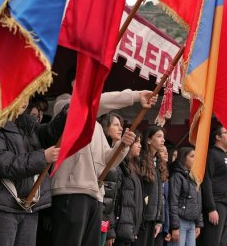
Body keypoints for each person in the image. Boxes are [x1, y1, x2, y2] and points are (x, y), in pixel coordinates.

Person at [49, 79, 155, 246]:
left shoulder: (97, 126)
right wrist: (134, 96)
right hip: (71, 192)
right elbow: (89, 104)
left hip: (95, 195)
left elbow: (107, 162)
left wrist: (123, 145)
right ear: (73, 83)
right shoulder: (63, 105)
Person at [0, 98, 67, 246]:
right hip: (2, 207)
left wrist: (65, 115)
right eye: (19, 95)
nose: (24, 101)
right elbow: (2, 163)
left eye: (27, 95)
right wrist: (43, 157)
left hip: (29, 207)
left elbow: (48, 133)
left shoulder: (28, 124)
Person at [101, 112, 136, 246]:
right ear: (105, 128)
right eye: (116, 125)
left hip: (112, 224)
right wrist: (109, 230)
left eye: (121, 125)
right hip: (102, 221)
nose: (121, 128)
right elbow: (107, 195)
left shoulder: (120, 159)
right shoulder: (104, 155)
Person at [199, 126, 227, 246]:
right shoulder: (211, 154)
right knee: (212, 241)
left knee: (222, 242)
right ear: (218, 137)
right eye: (226, 132)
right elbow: (207, 181)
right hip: (217, 203)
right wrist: (211, 208)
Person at [111, 132, 144, 246]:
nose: (140, 145)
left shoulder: (133, 168)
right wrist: (110, 231)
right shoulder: (119, 167)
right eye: (137, 142)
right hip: (118, 230)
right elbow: (112, 199)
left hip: (129, 229)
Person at [136, 126, 166, 246]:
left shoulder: (158, 162)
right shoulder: (141, 159)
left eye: (163, 137)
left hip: (153, 217)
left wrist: (159, 220)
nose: (163, 140)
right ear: (148, 140)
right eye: (159, 136)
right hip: (142, 217)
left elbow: (160, 193)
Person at [169, 148, 202, 246]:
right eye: (192, 156)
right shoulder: (177, 176)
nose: (195, 159)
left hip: (192, 223)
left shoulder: (194, 177)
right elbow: (173, 201)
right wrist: (175, 226)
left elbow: (198, 202)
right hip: (180, 222)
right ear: (183, 158)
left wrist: (199, 223)